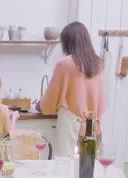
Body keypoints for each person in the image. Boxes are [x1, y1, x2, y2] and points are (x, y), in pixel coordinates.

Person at [36, 22, 106, 155]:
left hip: (71, 127)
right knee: (87, 168)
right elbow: (101, 100)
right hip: (93, 125)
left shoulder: (64, 64)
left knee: (65, 168)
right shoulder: (97, 64)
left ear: (68, 42)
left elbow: (49, 103)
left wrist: (40, 104)